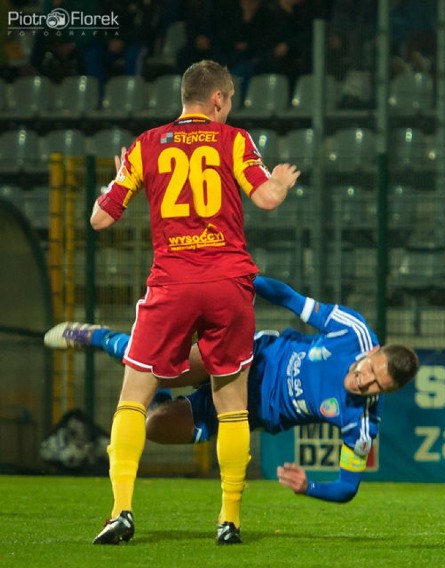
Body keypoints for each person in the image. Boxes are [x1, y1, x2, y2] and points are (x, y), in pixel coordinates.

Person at [87, 59, 301, 545]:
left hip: (172, 284)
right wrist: (284, 182)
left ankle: (121, 511)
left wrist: (117, 178)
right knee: (231, 407)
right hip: (228, 283)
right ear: (219, 99)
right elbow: (265, 198)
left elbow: (100, 220)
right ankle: (229, 520)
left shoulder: (146, 145)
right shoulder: (235, 141)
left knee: (133, 400)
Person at [44, 275, 420, 503]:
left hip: (238, 415)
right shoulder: (352, 331)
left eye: (375, 386)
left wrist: (310, 487)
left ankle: (158, 391)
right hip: (241, 359)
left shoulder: (363, 422)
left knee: (153, 427)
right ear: (371, 351)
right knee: (159, 366)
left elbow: (347, 487)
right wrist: (242, 279)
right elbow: (290, 299)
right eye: (369, 369)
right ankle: (99, 336)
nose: (363, 381)